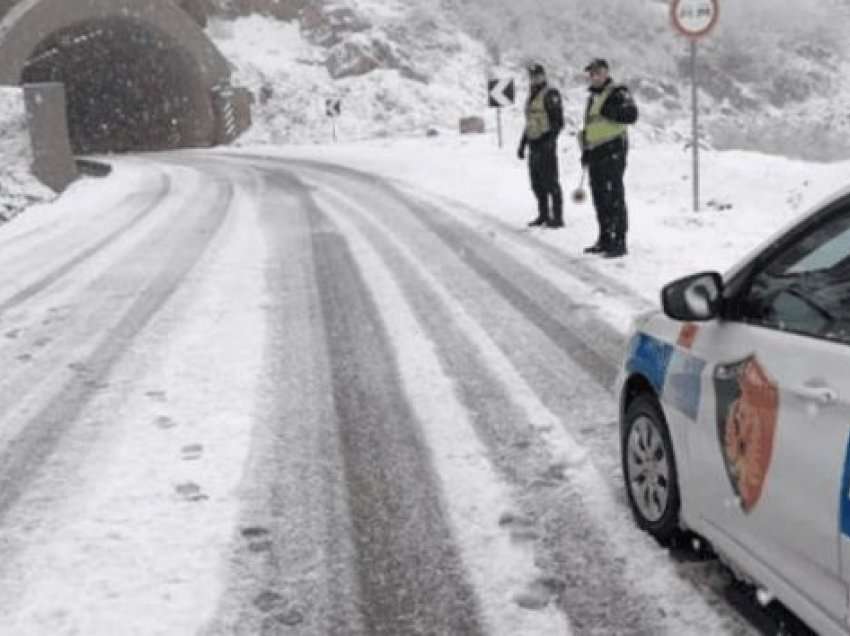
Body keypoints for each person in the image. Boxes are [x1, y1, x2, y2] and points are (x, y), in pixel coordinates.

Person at [579, 58, 638, 257]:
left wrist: (610, 111)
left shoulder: (617, 92)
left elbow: (631, 115)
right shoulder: (592, 98)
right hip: (595, 152)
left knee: (614, 197)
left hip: (613, 150)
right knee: (599, 198)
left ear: (606, 72)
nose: (594, 77)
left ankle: (619, 242)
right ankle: (605, 238)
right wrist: (585, 150)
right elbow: (590, 126)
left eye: (597, 73)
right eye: (591, 73)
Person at [517, 63, 565, 228]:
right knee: (537, 184)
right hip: (533, 144)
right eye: (532, 76)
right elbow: (529, 123)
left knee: (551, 182)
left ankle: (558, 217)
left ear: (544, 76)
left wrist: (550, 140)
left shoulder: (550, 94)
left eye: (537, 75)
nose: (534, 79)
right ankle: (543, 215)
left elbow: (558, 121)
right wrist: (522, 145)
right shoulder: (532, 96)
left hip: (546, 144)